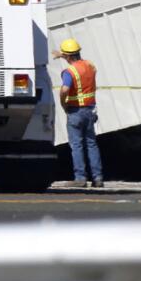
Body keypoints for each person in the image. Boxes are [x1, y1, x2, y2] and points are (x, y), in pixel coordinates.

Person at [58, 37, 103, 188]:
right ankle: (98, 179)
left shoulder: (69, 72)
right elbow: (80, 63)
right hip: (90, 110)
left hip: (75, 111)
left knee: (76, 145)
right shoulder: (90, 65)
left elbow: (65, 89)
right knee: (91, 144)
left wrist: (63, 103)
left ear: (68, 56)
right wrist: (62, 54)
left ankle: (80, 178)